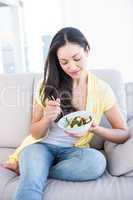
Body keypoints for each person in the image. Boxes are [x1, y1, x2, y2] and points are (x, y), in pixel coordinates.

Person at [2, 27, 130, 200]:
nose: (71, 67)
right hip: (40, 146)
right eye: (64, 62)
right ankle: (33, 168)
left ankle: (36, 169)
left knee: (97, 163)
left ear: (87, 50)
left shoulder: (102, 90)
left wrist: (95, 129)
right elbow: (34, 132)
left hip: (73, 151)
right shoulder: (46, 85)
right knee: (31, 184)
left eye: (77, 59)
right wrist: (47, 119)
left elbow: (123, 133)